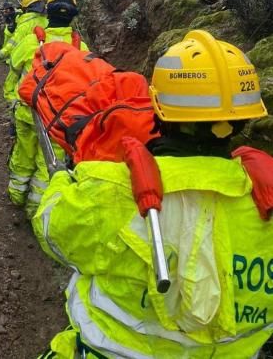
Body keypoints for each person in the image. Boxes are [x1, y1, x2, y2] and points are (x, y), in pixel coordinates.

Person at [34, 29, 273, 358]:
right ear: (244, 120)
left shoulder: (111, 190)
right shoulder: (266, 205)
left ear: (157, 110)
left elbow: (52, 231)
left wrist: (64, 178)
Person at [7, 0, 88, 216]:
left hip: (27, 113)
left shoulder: (32, 41)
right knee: (49, 165)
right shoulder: (80, 48)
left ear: (48, 13)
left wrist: (12, 101)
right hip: (58, 122)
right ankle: (36, 209)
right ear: (73, 16)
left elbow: (13, 67)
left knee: (23, 154)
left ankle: (16, 195)